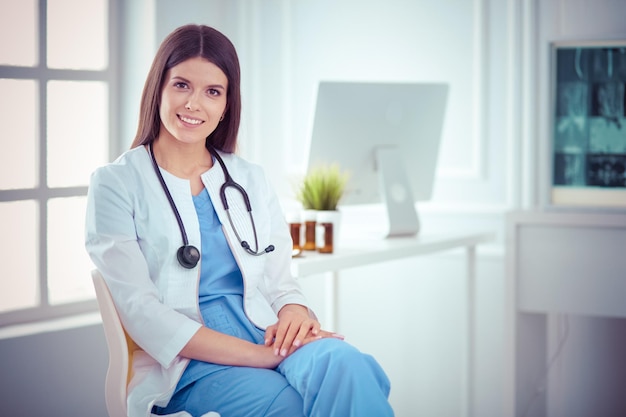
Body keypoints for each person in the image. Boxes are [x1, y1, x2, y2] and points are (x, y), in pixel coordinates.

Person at [85, 24, 393, 417]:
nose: (194, 104)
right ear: (157, 88)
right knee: (293, 407)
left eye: (213, 91)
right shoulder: (116, 183)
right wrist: (259, 357)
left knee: (350, 366)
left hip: (267, 335)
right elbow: (142, 312)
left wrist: (296, 313)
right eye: (182, 85)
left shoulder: (248, 178)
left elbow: (281, 282)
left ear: (227, 103)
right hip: (188, 365)